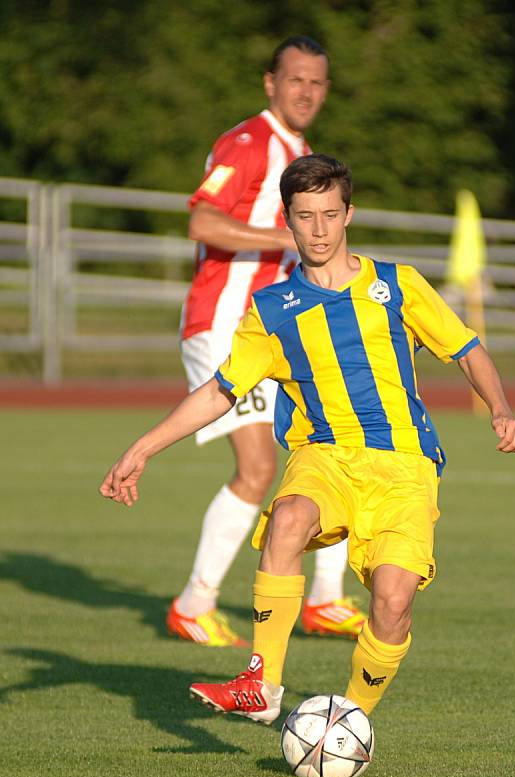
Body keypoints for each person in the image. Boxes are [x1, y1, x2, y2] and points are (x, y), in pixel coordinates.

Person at [100, 154, 515, 724]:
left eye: (330, 214)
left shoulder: (397, 284)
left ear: (349, 213)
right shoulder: (272, 309)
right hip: (324, 456)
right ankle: (263, 683)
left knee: (393, 603)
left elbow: (467, 349)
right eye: (306, 217)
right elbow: (219, 392)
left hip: (405, 467)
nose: (319, 229)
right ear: (290, 220)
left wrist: (500, 408)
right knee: (289, 514)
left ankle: (351, 717)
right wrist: (141, 449)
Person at [171, 36, 365, 647]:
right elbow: (202, 219)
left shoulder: (301, 152)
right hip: (228, 324)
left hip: (277, 326)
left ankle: (325, 600)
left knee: (337, 441)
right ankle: (193, 604)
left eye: (317, 82)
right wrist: (288, 239)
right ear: (270, 83)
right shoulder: (249, 143)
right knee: (257, 470)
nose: (306, 91)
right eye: (296, 80)